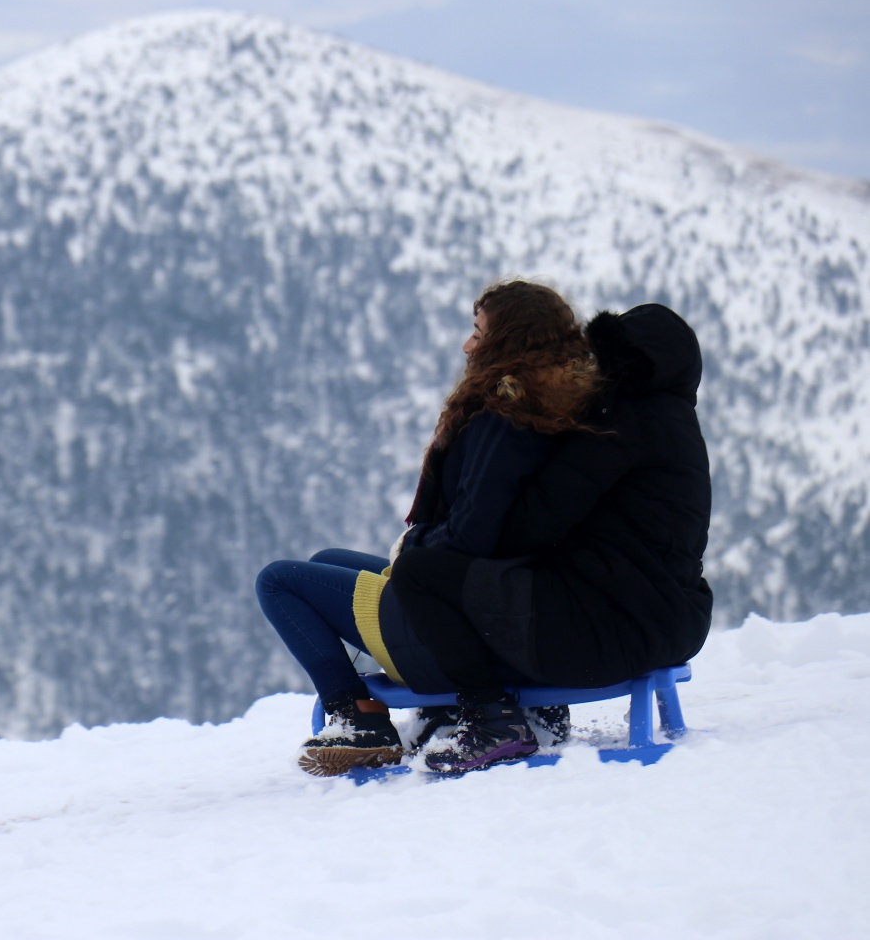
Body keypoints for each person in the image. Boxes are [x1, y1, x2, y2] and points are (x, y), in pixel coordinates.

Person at [257, 281, 602, 776]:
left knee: (279, 581)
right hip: (495, 599)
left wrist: (412, 548)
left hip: (459, 612)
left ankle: (359, 716)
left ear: (511, 341)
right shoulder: (549, 409)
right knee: (325, 562)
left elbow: (472, 535)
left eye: (479, 334)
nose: (467, 345)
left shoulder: (504, 422)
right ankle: (439, 709)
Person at [397, 303, 713, 774]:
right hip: (673, 621)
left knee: (420, 574)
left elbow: (534, 524)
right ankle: (533, 709)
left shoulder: (619, 424)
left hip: (613, 631)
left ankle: (493, 718)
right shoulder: (678, 425)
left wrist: (474, 514)